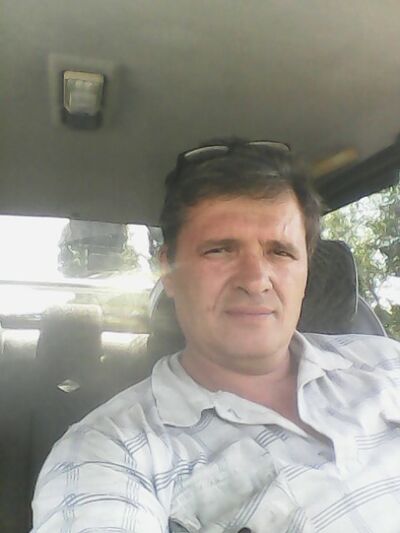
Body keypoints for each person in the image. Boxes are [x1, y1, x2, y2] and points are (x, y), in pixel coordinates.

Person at [32, 140, 400, 533]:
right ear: (170, 271)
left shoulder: (386, 361)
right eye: (220, 250)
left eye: (280, 252)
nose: (255, 280)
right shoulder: (111, 449)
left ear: (307, 269)